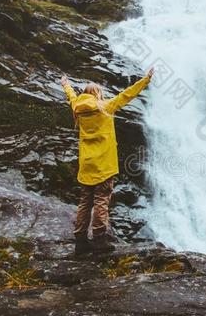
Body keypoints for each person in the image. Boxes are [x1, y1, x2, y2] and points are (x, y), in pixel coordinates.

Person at [61, 68, 154, 255]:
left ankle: (80, 241)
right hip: (104, 165)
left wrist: (65, 85)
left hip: (86, 165)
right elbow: (126, 95)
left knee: (85, 202)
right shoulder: (105, 108)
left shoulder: (77, 108)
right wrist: (146, 79)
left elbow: (71, 96)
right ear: (97, 94)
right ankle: (99, 239)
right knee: (102, 201)